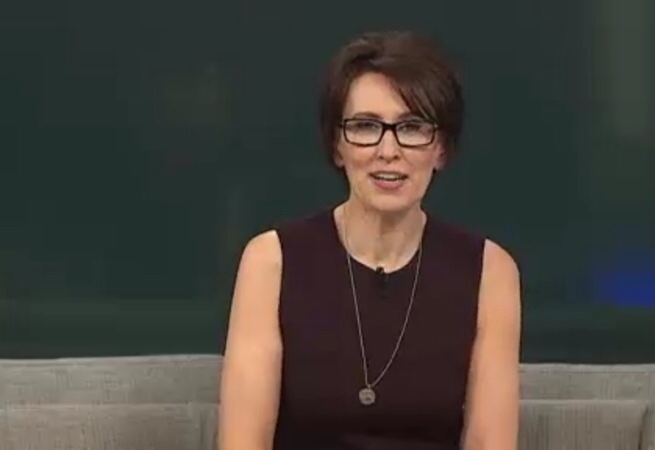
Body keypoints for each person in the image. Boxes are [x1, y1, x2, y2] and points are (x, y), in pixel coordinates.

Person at [218, 30, 521, 450]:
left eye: (412, 127)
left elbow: (490, 441)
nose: (388, 150)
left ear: (441, 149)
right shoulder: (271, 261)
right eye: (365, 126)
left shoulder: (490, 271)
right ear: (337, 146)